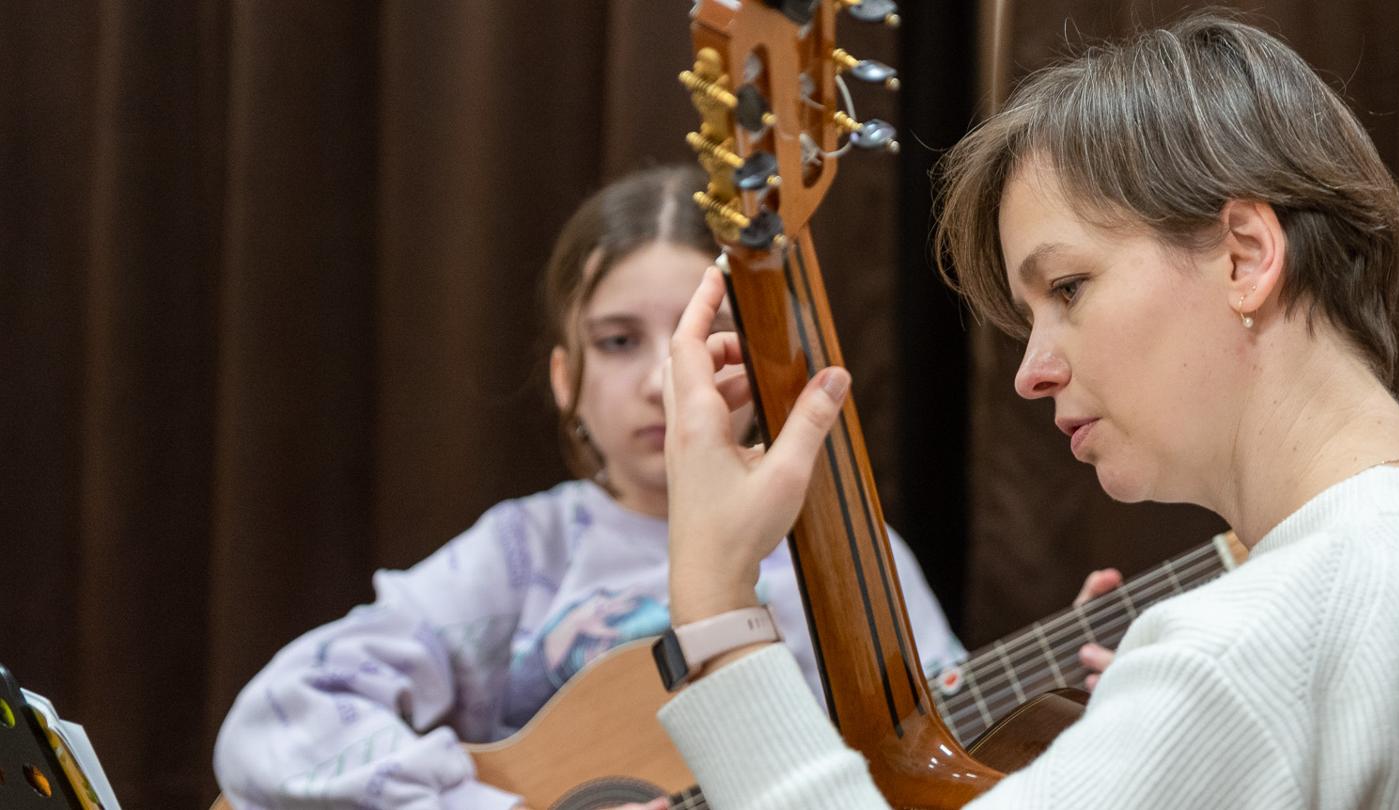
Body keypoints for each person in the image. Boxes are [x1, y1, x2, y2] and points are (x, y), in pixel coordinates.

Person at [646, 13, 1399, 809]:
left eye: (1069, 288)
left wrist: (717, 606)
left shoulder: (1256, 648)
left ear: (1246, 257)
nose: (1031, 373)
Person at [211, 166, 966, 809]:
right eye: (618, 341)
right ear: (565, 380)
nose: (664, 381)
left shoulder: (850, 556)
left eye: (703, 337)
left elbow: (953, 755)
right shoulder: (523, 553)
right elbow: (282, 718)